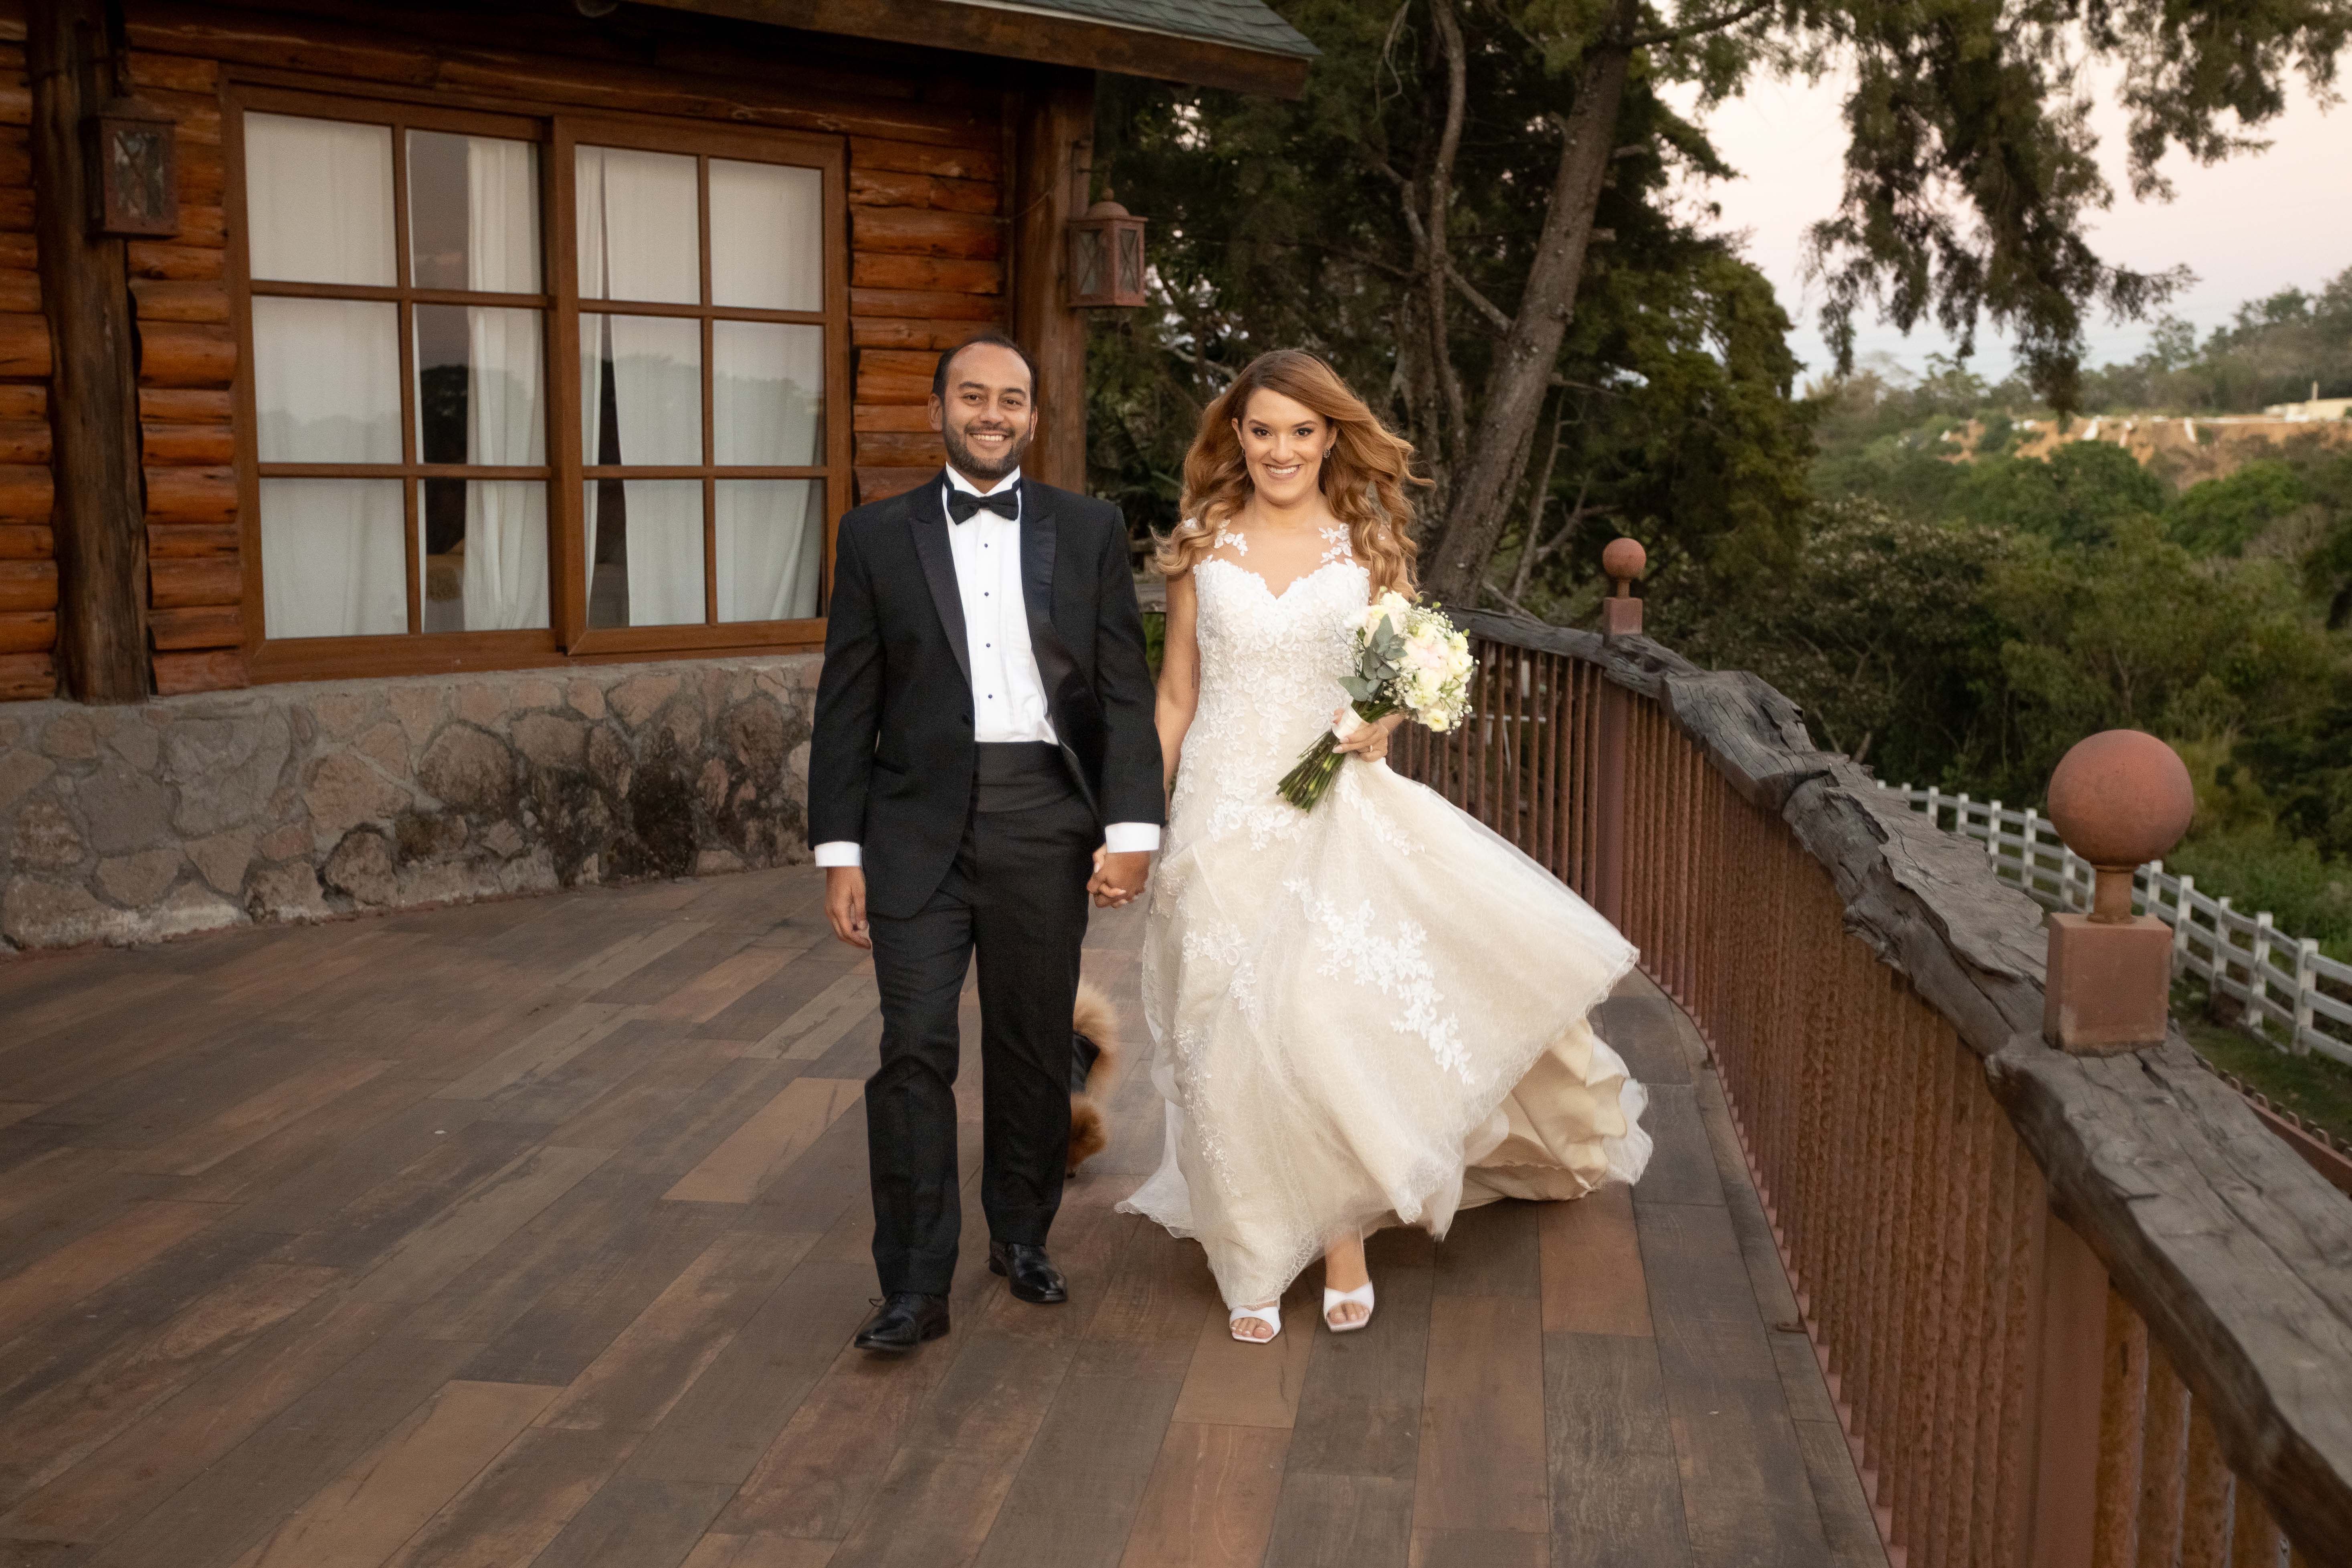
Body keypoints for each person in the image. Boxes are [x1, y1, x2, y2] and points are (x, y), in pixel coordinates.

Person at [1119, 350, 1651, 1342]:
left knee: (1319, 1014)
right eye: (1263, 429)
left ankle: (1341, 1240)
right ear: (1236, 436)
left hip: (1330, 810)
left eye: (1301, 431)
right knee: (1218, 1026)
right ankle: (1250, 1247)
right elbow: (1177, 695)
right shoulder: (1200, 546)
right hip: (1219, 809)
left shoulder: (1366, 548)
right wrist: (1140, 819)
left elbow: (1401, 674)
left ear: (1329, 438)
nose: (1281, 449)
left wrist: (1383, 724)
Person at [808, 332, 1163, 1354]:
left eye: (1012, 398)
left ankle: (1022, 1234)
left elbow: (1121, 687)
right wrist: (841, 850)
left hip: (1043, 815)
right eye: (973, 396)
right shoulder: (875, 537)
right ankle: (913, 1284)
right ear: (939, 410)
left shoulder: (1088, 529)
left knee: (1027, 1041)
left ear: (1034, 418)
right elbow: (848, 702)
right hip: (913, 822)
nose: (993, 413)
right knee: (914, 1048)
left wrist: (1131, 827)